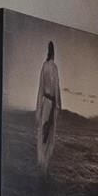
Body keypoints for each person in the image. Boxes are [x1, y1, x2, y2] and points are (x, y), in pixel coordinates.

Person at [34, 39, 61, 171]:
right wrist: (58, 106)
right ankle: (44, 165)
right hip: (50, 103)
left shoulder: (44, 66)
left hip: (45, 103)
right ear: (53, 53)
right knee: (48, 133)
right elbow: (56, 88)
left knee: (43, 131)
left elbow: (40, 89)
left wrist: (38, 109)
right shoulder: (53, 67)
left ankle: (42, 163)